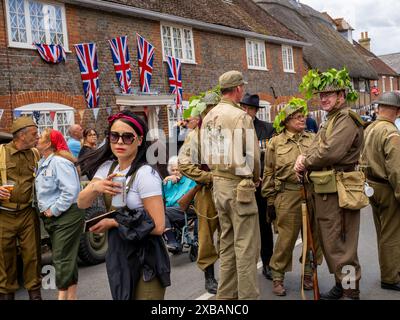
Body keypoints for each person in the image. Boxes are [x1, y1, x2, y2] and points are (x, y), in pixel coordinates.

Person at [77, 110, 170, 300]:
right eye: (114, 136)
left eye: (127, 137)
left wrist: (114, 223)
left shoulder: (145, 174)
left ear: (139, 140)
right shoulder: (107, 168)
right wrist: (96, 187)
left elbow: (159, 226)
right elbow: (81, 202)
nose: (119, 142)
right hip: (119, 255)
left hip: (147, 257)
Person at [294, 69, 364, 300]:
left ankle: (350, 291)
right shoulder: (331, 119)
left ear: (341, 96)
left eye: (329, 94)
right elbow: (316, 148)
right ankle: (340, 283)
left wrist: (306, 162)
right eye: (321, 95)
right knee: (331, 241)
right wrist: (302, 158)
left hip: (340, 188)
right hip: (328, 189)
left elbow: (330, 152)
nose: (323, 98)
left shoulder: (345, 119)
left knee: (342, 243)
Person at [201, 71, 261, 300]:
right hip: (238, 185)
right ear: (237, 89)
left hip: (219, 183)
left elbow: (206, 153)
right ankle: (247, 299)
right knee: (246, 248)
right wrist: (255, 178)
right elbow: (253, 156)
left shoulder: (208, 116)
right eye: (242, 88)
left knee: (226, 245)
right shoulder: (240, 116)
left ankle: (225, 297)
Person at [261, 99, 322, 296]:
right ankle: (278, 276)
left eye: (303, 115)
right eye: (297, 116)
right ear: (286, 121)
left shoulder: (313, 138)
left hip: (312, 192)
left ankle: (308, 273)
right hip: (287, 195)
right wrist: (270, 200)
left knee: (312, 237)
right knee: (286, 240)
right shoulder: (275, 143)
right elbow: (269, 172)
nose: (302, 119)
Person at [178, 91, 221, 294]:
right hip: (206, 191)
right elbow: (184, 164)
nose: (212, 112)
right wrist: (208, 178)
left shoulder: (227, 132)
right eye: (209, 109)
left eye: (215, 108)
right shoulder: (194, 136)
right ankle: (209, 276)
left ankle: (232, 272)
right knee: (206, 236)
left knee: (231, 233)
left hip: (229, 189)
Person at [35, 129, 84, 300]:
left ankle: (62, 297)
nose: (37, 139)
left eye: (40, 137)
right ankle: (71, 297)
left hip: (67, 214)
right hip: (57, 217)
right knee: (67, 257)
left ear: (48, 143)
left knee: (61, 258)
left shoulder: (59, 162)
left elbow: (70, 192)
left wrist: (53, 209)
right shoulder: (44, 161)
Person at [360, 92, 400, 291]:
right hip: (386, 188)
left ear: (379, 108)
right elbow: (396, 169)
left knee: (382, 232)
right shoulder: (391, 132)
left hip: (371, 186)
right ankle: (391, 277)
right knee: (392, 234)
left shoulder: (370, 128)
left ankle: (390, 270)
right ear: (397, 111)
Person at [0, 116, 42, 300]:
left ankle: (35, 295)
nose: (38, 137)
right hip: (4, 214)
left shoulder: (35, 153)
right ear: (21, 136)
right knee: (4, 258)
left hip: (27, 212)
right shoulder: (1, 153)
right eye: (34, 134)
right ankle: (6, 295)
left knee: (33, 257)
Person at [240, 93, 274, 281]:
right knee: (245, 229)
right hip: (243, 186)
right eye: (243, 107)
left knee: (264, 226)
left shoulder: (267, 129)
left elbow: (270, 158)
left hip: (262, 186)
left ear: (255, 111)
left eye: (249, 108)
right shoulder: (235, 128)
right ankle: (245, 268)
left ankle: (268, 263)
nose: (246, 111)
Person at [162, 156, 197, 252]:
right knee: (158, 211)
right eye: (173, 170)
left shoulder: (190, 180)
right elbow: (158, 196)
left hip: (186, 208)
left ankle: (171, 240)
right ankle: (172, 240)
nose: (176, 172)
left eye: (178, 169)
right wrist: (165, 181)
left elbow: (191, 198)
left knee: (162, 211)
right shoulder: (168, 182)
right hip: (171, 211)